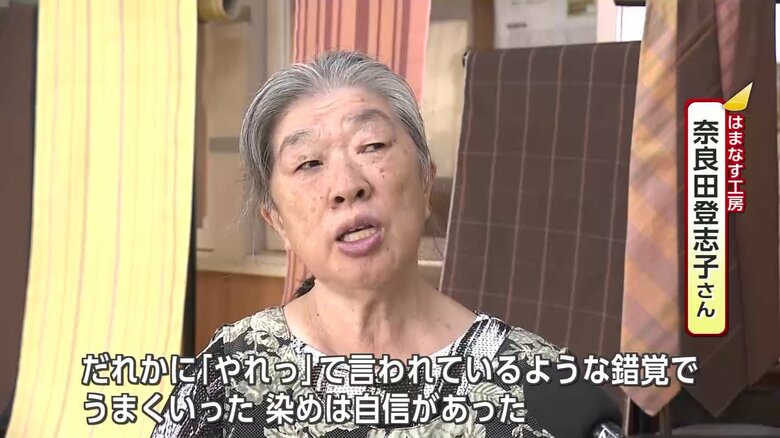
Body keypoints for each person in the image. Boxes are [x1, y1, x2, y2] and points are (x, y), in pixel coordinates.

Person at [151, 50, 568, 437]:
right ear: (277, 222)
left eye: (372, 146)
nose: (347, 186)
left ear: (425, 182)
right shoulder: (227, 377)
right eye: (308, 163)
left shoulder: (541, 386)